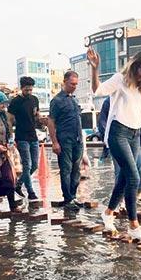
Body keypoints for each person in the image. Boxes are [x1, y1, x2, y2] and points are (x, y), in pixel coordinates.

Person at [88, 48, 141, 240]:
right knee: (134, 177)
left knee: (125, 178)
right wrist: (94, 68)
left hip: (135, 134)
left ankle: (108, 212)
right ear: (134, 66)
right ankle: (134, 224)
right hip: (118, 133)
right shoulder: (120, 79)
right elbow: (97, 91)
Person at [47, 71, 84, 210]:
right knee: (66, 169)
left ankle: (73, 196)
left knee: (76, 170)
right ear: (64, 82)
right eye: (72, 84)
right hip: (64, 140)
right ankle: (67, 198)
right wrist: (54, 142)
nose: (74, 86)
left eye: (76, 84)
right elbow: (51, 122)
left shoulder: (74, 99)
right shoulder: (56, 101)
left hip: (78, 140)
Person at [8, 76, 40, 200]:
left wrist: (42, 119)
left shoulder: (34, 99)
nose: (29, 92)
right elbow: (9, 120)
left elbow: (36, 115)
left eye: (31, 90)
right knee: (27, 165)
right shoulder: (15, 102)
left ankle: (18, 184)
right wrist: (10, 136)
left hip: (33, 136)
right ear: (22, 88)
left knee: (34, 166)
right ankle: (31, 192)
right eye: (27, 90)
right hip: (21, 137)